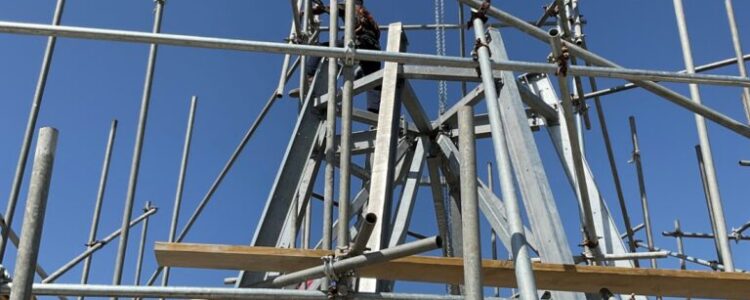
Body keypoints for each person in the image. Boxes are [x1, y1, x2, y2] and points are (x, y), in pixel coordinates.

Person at [289, 0, 382, 113]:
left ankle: (308, 82)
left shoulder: (349, 5)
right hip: (374, 50)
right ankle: (376, 114)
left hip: (359, 43)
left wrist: (306, 12)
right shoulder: (369, 18)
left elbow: (329, 9)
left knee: (321, 48)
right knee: (373, 82)